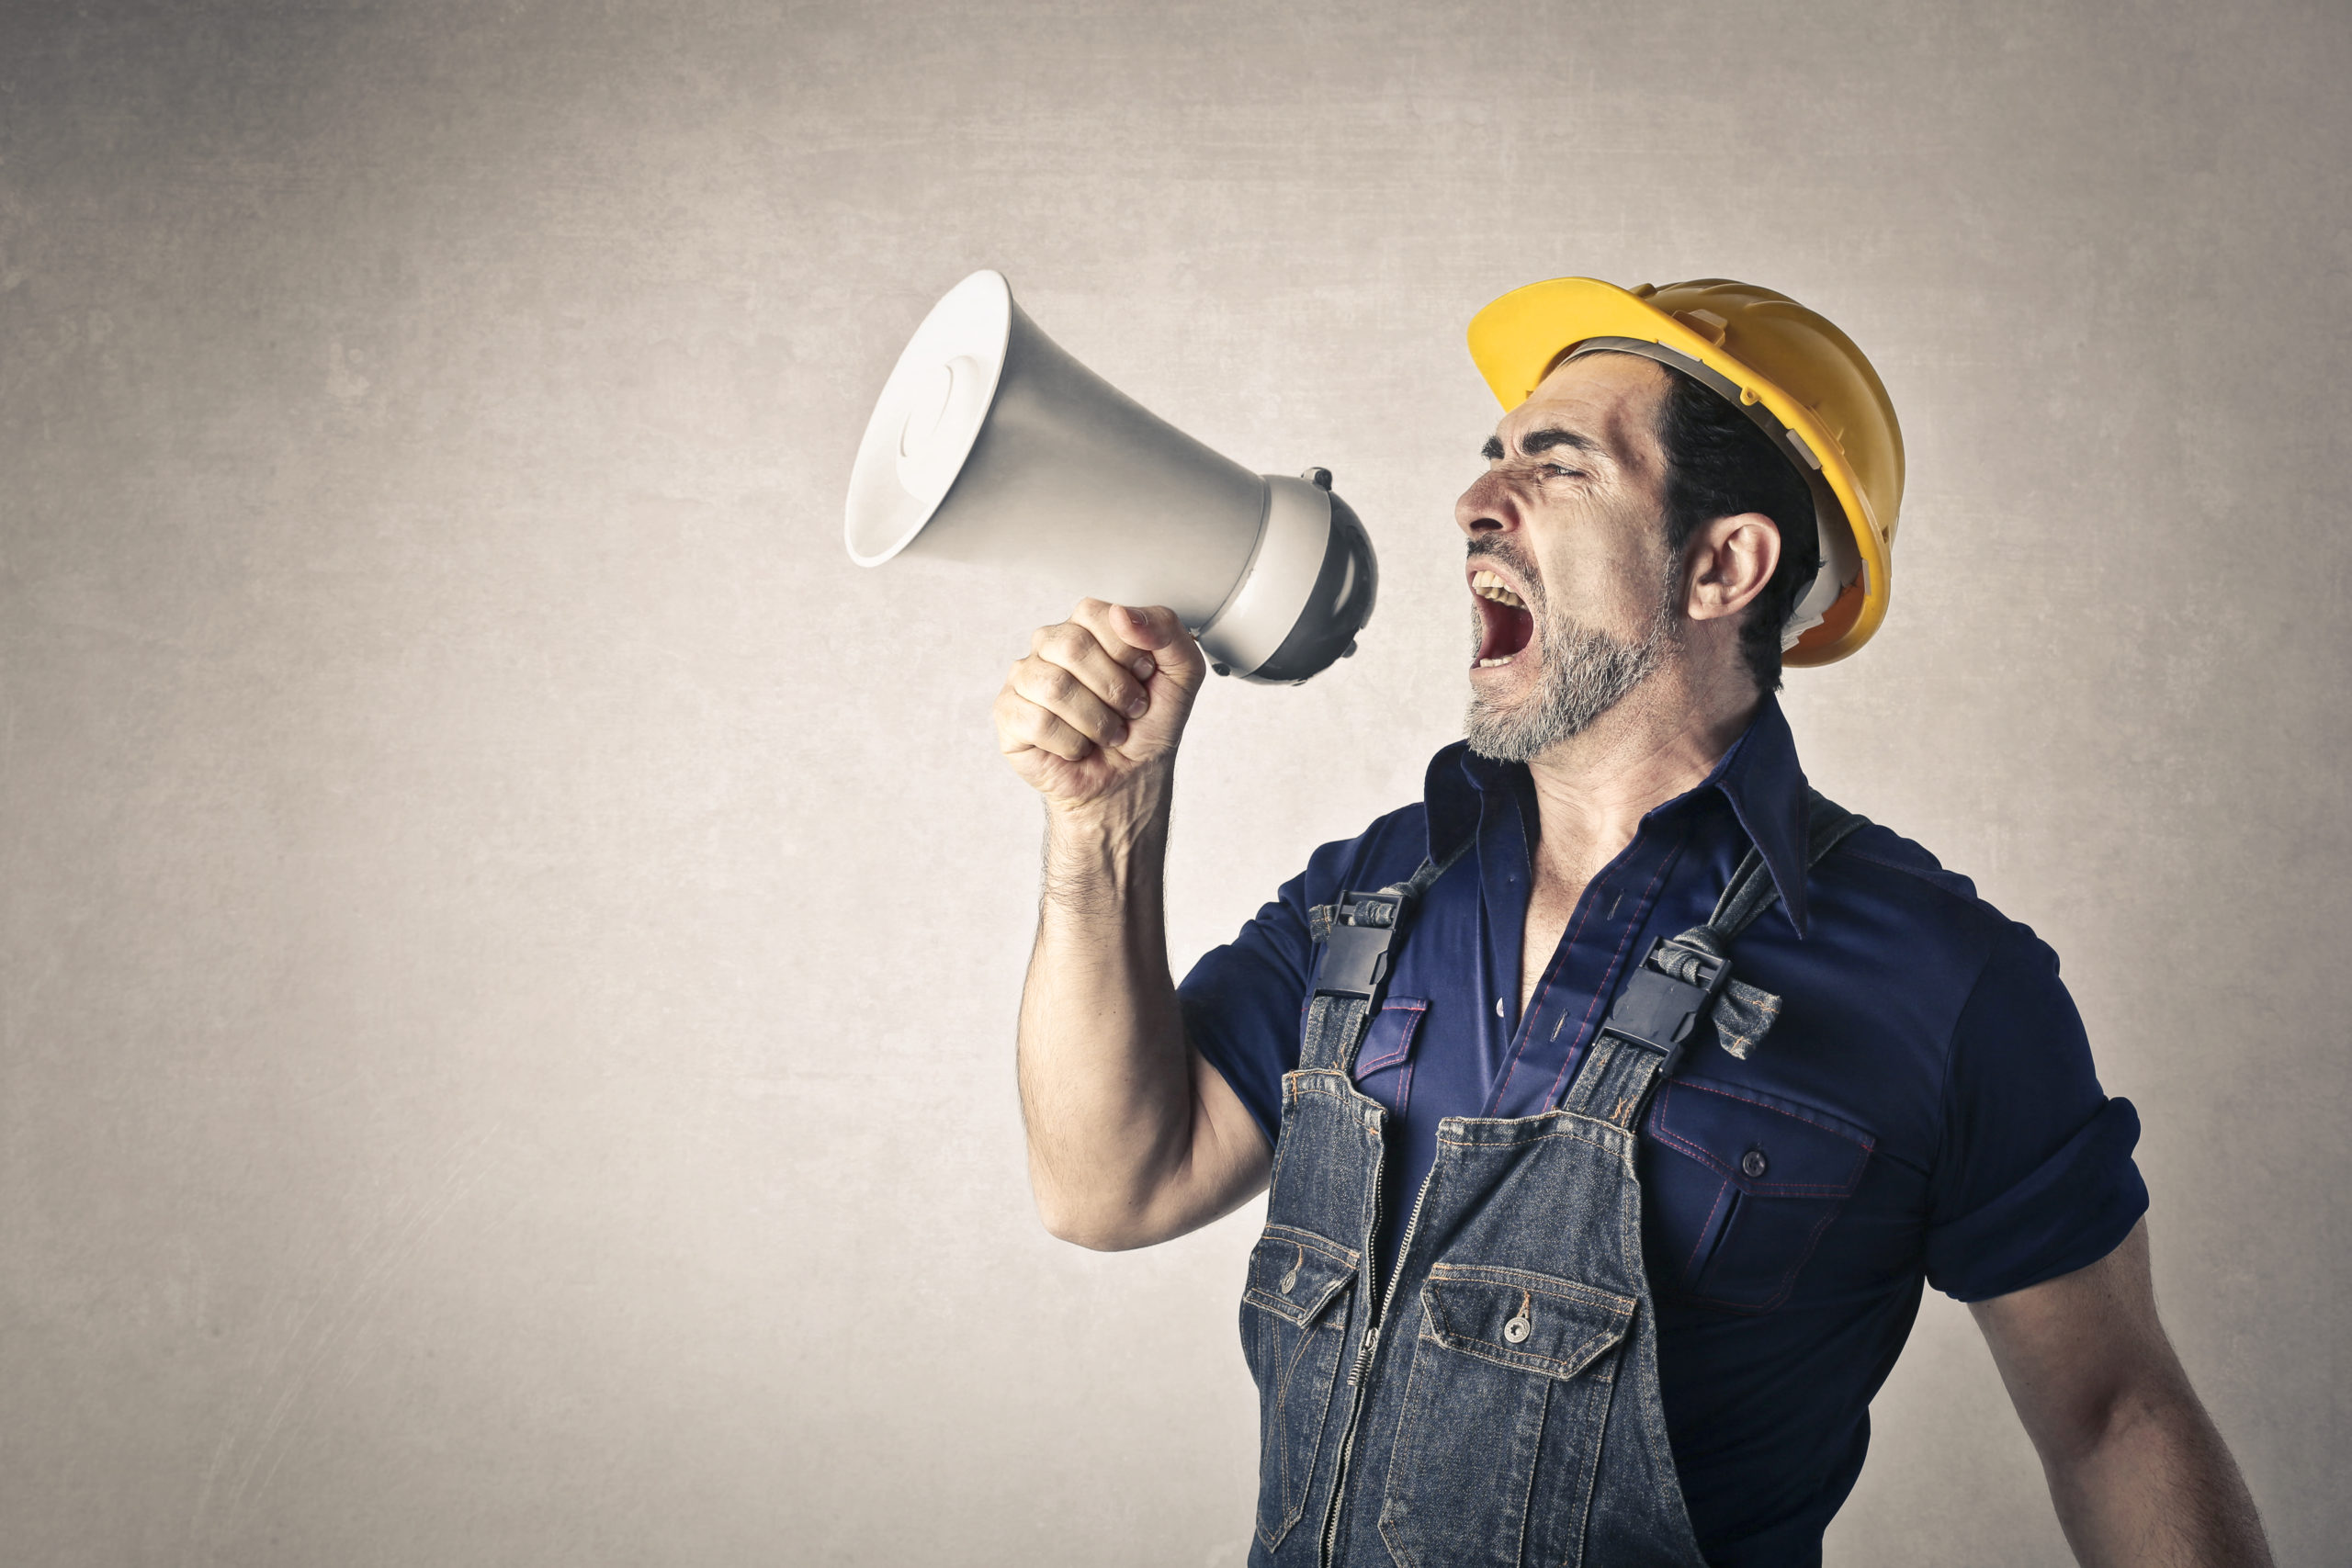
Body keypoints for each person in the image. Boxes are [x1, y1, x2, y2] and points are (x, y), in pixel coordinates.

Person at [993, 276, 2272, 1568]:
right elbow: (1112, 1182)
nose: (1473, 505)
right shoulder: (1366, 897)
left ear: (1723, 565)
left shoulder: (1949, 986)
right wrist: (1103, 824)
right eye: (1490, 459)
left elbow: (2114, 1417)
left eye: (1555, 469)